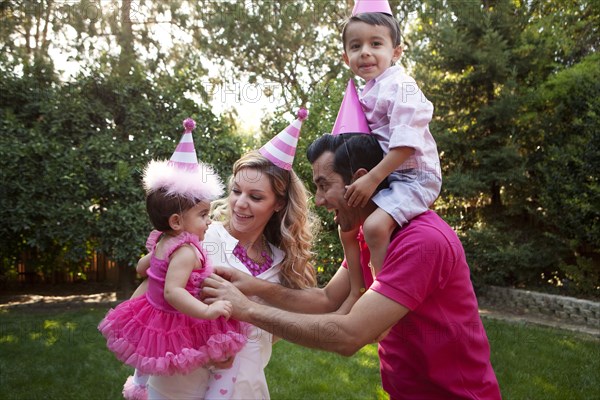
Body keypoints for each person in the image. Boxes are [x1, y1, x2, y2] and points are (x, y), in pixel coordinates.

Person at [203, 133, 502, 399]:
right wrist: (252, 284)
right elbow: (328, 299)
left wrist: (246, 309)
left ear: (359, 178)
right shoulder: (369, 233)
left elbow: (349, 335)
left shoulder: (421, 241)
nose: (318, 200)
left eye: (324, 185)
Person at [127, 110, 319, 399]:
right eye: (236, 191)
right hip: (180, 387)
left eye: (255, 197)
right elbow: (149, 297)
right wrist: (205, 348)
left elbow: (275, 330)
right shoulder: (200, 240)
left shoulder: (281, 262)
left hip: (245, 388)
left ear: (278, 204)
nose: (240, 204)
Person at [98, 118, 248, 400]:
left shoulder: (160, 239)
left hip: (151, 307)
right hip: (177, 313)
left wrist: (151, 266)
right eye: (203, 215)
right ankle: (215, 393)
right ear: (178, 221)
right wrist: (206, 312)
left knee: (148, 351)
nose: (208, 220)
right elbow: (173, 290)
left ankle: (140, 387)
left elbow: (144, 267)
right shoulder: (186, 251)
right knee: (209, 349)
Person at [337, 1, 443, 313]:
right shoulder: (368, 91)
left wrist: (372, 178)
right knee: (346, 222)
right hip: (391, 178)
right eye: (356, 46)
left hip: (415, 178)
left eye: (376, 44)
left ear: (396, 51)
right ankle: (356, 290)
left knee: (372, 227)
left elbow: (407, 143)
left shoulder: (401, 85)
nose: (365, 52)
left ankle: (381, 298)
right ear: (346, 57)